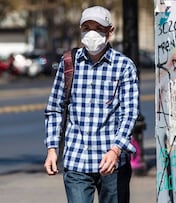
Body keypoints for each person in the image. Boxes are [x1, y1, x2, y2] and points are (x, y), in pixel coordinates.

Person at [43, 5, 139, 203]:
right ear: (80, 30)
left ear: (110, 31)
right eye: (87, 27)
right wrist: (52, 149)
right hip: (76, 161)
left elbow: (129, 113)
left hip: (112, 163)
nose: (92, 33)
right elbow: (54, 108)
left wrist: (116, 150)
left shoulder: (124, 66)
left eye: (98, 28)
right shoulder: (69, 63)